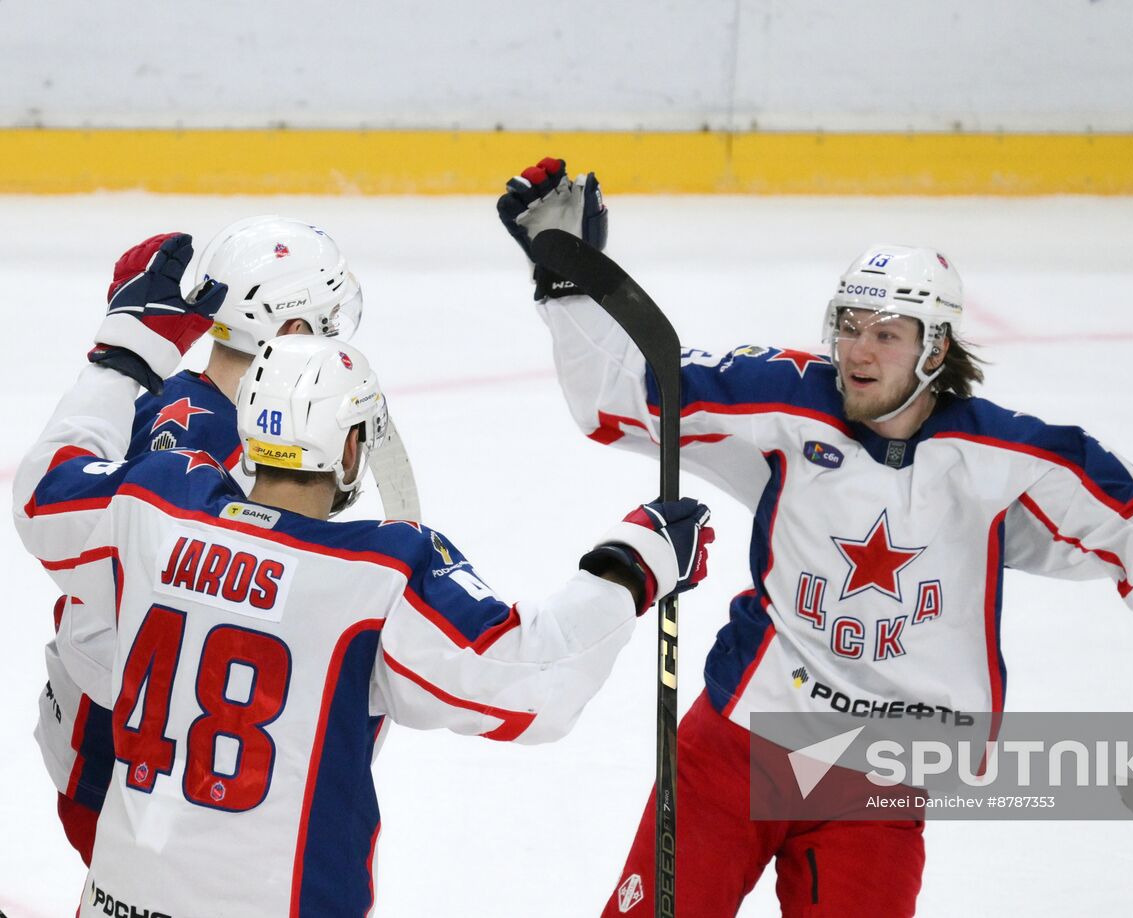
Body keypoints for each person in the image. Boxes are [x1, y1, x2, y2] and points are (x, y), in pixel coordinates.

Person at [498, 159, 1133, 917]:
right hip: (736, 749)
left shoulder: (1008, 459)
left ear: (936, 350)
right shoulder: (786, 401)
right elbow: (627, 399)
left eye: (887, 333)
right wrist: (568, 277)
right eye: (850, 325)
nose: (857, 349)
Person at [13, 232, 715, 915]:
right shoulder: (373, 576)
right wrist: (634, 564)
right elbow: (532, 678)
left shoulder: (158, 498)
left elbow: (47, 494)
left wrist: (124, 353)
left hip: (119, 874)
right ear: (349, 447)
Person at [33, 217, 373, 866]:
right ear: (292, 328)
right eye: (328, 315)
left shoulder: (149, 396)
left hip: (115, 731)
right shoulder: (246, 455)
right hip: (144, 758)